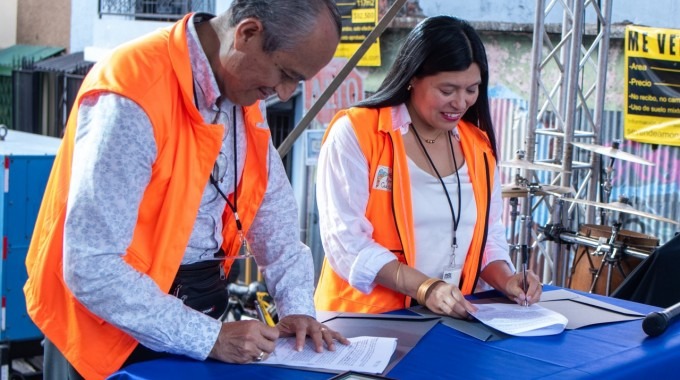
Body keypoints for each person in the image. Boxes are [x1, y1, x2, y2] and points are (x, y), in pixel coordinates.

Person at [23, 1, 349, 379]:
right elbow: (91, 267)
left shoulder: (242, 91)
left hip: (193, 320)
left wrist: (297, 310)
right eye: (285, 73)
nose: (284, 91)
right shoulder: (133, 92)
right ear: (247, 34)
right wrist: (209, 337)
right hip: (102, 337)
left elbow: (275, 225)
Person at [313, 16, 542, 317]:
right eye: (447, 91)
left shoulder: (478, 146)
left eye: (471, 90)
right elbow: (346, 242)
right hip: (361, 323)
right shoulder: (356, 132)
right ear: (412, 77)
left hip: (446, 321)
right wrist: (425, 288)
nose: (460, 103)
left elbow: (488, 237)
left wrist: (507, 279)